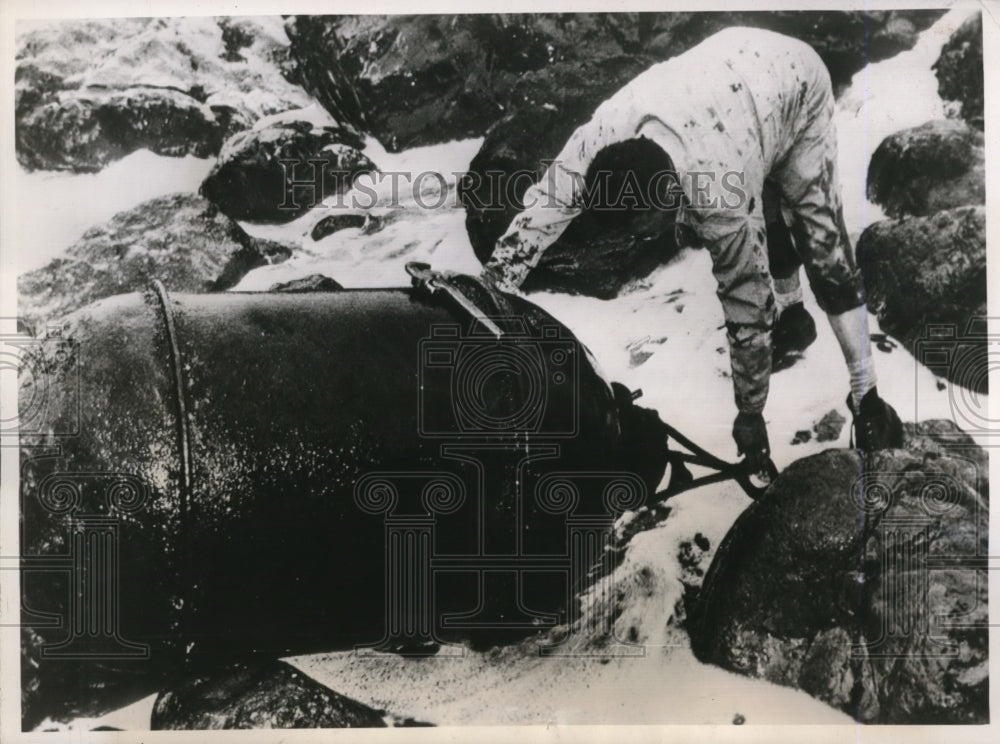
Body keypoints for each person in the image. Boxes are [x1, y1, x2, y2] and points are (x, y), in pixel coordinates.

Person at [478, 26, 903, 472]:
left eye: (644, 232)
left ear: (669, 202)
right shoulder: (604, 131)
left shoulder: (721, 196)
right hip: (728, 73)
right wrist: (490, 284)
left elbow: (747, 302)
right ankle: (795, 319)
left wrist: (751, 413)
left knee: (820, 242)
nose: (638, 242)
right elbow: (547, 203)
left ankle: (867, 393)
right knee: (766, 205)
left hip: (794, 82)